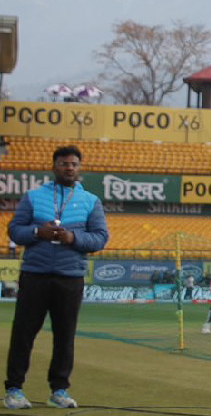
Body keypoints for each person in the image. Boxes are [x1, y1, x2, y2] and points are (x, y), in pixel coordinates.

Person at [5, 145, 109, 410]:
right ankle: (14, 389)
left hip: (70, 277)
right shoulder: (34, 197)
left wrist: (73, 237)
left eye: (74, 164)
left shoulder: (91, 201)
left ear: (79, 168)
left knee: (65, 336)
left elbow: (100, 238)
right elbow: (14, 230)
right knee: (23, 334)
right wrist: (37, 232)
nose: (69, 168)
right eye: (64, 163)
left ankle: (59, 391)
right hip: (35, 274)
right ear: (54, 166)